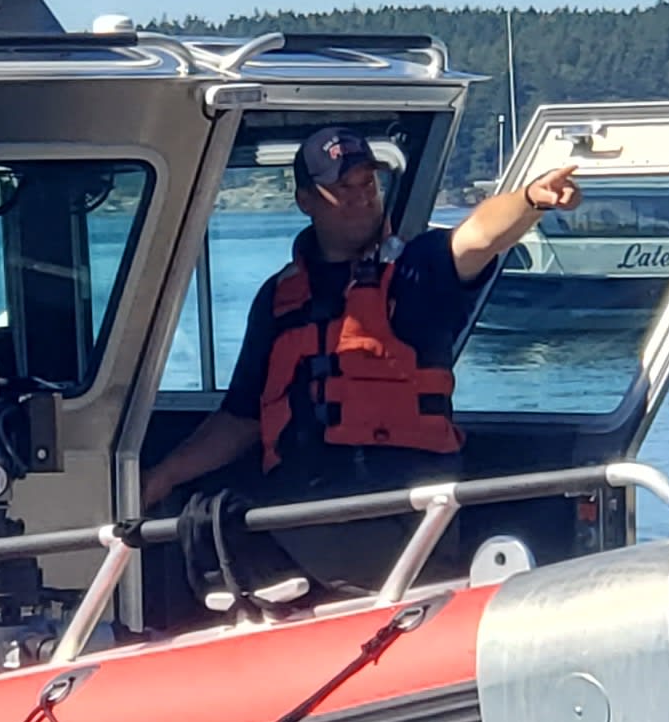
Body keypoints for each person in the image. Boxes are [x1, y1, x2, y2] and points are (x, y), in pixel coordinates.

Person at [139, 128, 582, 511]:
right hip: (300, 507)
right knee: (208, 525)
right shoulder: (278, 300)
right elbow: (241, 418)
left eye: (367, 183)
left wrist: (530, 200)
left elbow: (480, 235)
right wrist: (164, 476)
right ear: (306, 201)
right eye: (343, 188)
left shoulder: (418, 269)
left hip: (399, 506)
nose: (361, 198)